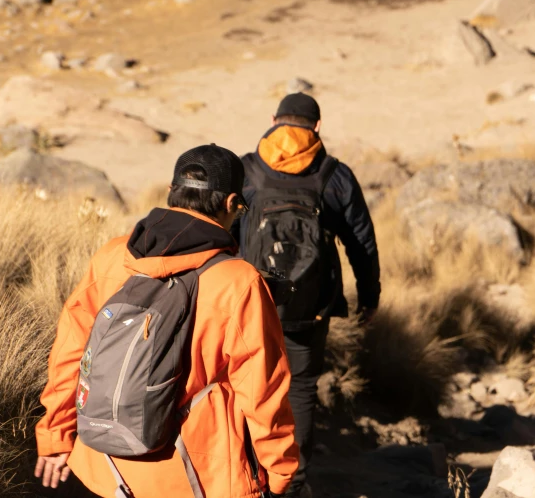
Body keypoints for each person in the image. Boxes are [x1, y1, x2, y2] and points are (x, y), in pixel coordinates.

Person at [35, 144, 299, 498]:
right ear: (232, 202)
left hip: (108, 465)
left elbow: (72, 353)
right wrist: (281, 472)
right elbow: (263, 391)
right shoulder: (239, 281)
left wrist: (56, 433)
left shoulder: (113, 256)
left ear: (172, 193)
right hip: (200, 476)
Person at [233, 93, 381, 498]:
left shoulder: (246, 171)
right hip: (310, 305)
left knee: (245, 387)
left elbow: (222, 235)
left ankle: (245, 477)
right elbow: (361, 243)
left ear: (274, 120)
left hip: (251, 303)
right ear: (317, 127)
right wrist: (370, 297)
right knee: (299, 388)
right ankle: (293, 484)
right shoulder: (336, 176)